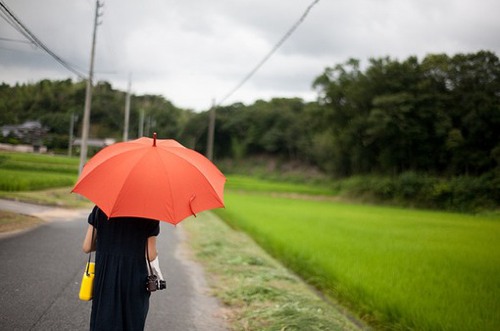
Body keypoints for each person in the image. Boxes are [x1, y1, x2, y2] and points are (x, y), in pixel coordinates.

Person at [82, 206, 160, 331]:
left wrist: (107, 245)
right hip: (133, 279)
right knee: (131, 322)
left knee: (103, 320)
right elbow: (150, 255)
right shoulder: (149, 214)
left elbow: (87, 247)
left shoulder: (100, 209)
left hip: (105, 276)